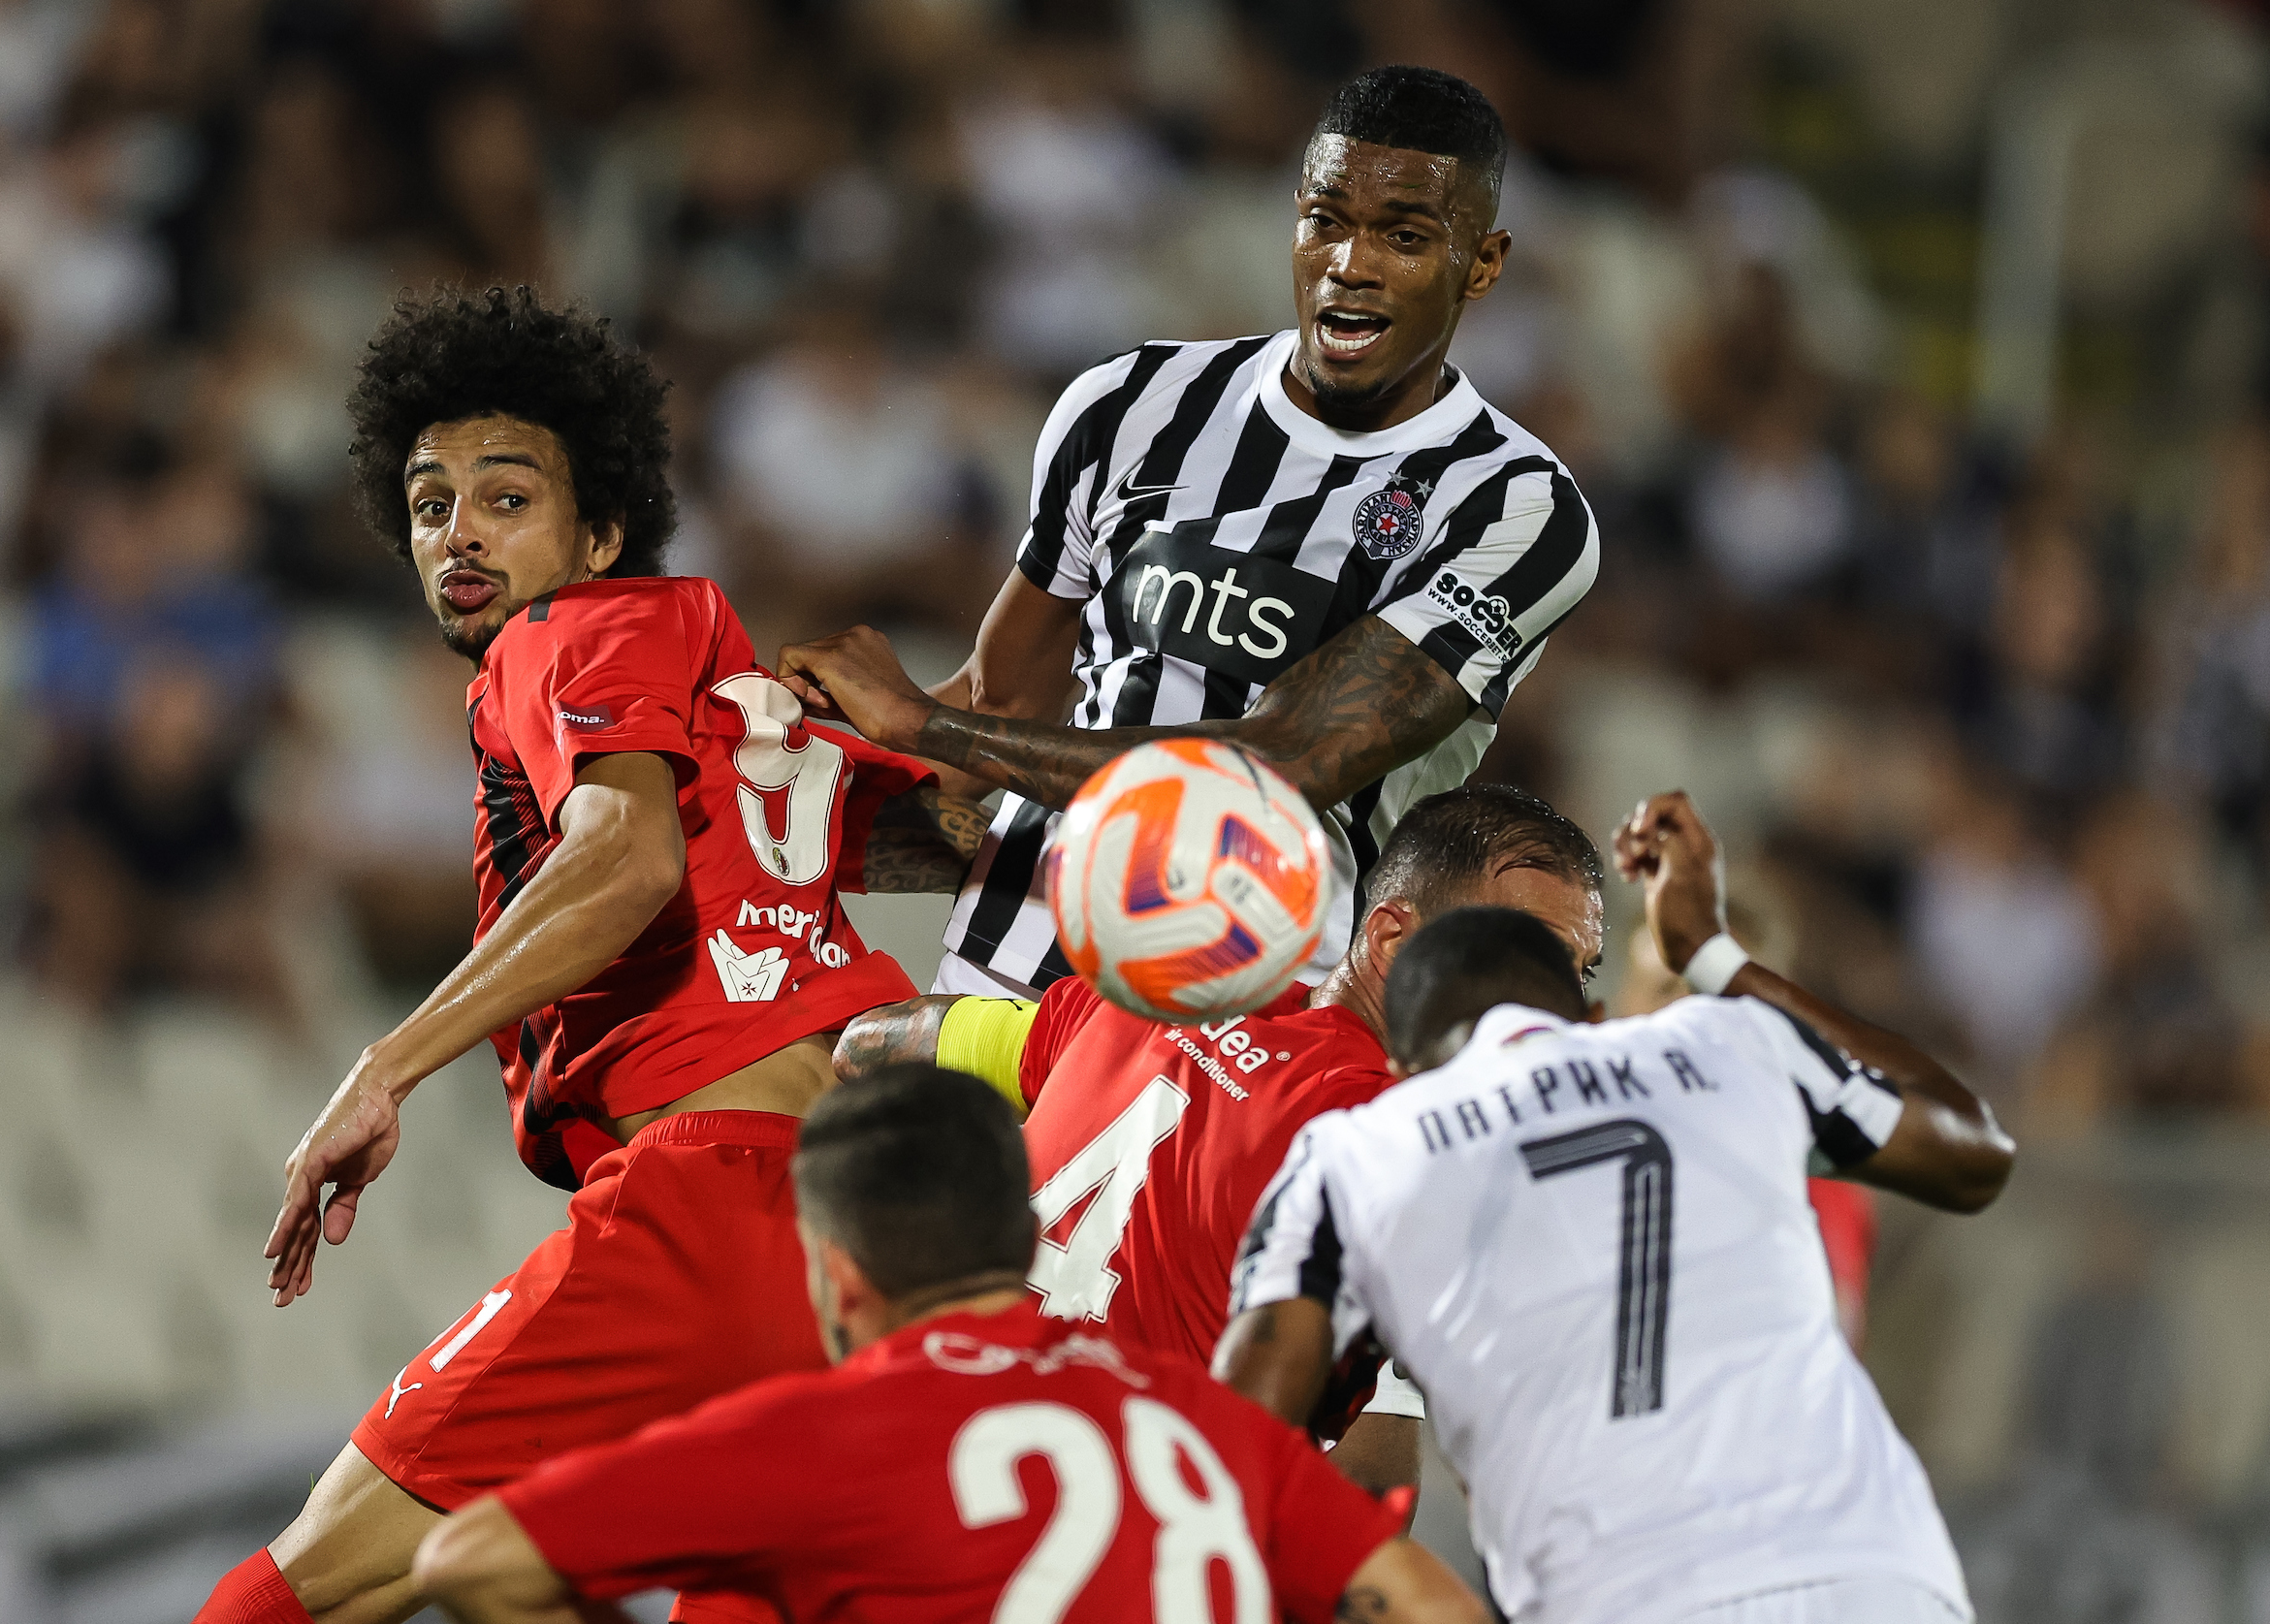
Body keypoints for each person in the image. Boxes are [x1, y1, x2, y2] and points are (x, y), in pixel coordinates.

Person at [198, 287, 984, 1624]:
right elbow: (957, 822)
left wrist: (384, 1065)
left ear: (599, 532)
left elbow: (626, 861)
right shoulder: (724, 693)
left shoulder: (573, 632)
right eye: (431, 499)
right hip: (889, 1231)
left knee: (276, 1601)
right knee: (560, 1579)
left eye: (507, 498)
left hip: (714, 1204)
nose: (458, 529)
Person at [776, 64, 1599, 1003]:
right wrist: (776, 832)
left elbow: (1281, 762)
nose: (1350, 264)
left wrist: (923, 719)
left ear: (1482, 264)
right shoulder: (1130, 404)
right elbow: (998, 723)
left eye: (1404, 237)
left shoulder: (1516, 507)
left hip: (1236, 1045)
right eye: (1325, 220)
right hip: (997, 987)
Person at [1215, 791, 2016, 1624]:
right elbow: (1973, 1150)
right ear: (1591, 1018)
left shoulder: (1359, 1151)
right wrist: (1714, 958)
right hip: (1880, 1578)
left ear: (1408, 1068)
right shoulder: (1731, 1043)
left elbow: (1241, 1436)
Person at [408, 1065, 1493, 1624]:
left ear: (835, 1272)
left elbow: (470, 1556)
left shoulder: (823, 1438)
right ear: (1026, 1236)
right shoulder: (1195, 1419)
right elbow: (1426, 1603)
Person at [836, 782, 1605, 1495]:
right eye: (1529, 953)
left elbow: (875, 1042)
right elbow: (1380, 1487)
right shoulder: (1390, 1138)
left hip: (921, 1453)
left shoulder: (1165, 994)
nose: (1559, 1002)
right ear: (1395, 941)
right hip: (1101, 1535)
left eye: (1577, 970)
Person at [1610, 874, 1879, 1351]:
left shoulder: (1813, 1171)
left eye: (1718, 997)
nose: (1688, 1020)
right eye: (1666, 989)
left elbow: (1818, 1349)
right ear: (1617, 1009)